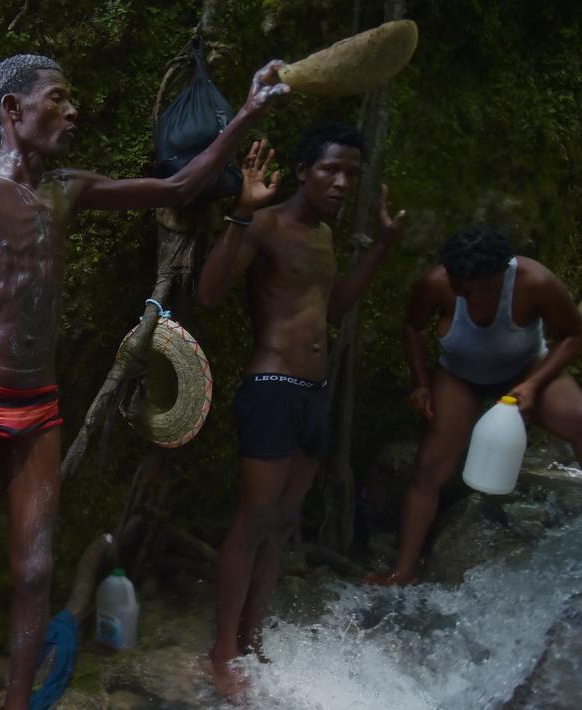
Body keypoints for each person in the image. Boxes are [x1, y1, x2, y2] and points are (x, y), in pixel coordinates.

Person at [0, 23, 288, 709]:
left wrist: (248, 111)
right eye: (57, 100)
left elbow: (184, 184)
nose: (73, 113)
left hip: (36, 404)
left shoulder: (68, 190)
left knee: (36, 570)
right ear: (11, 111)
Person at [196, 123, 405, 695]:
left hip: (314, 392)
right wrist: (241, 213)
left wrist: (382, 248)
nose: (341, 183)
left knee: (282, 525)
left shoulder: (325, 238)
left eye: (352, 175)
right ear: (303, 171)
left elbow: (332, 306)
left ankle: (252, 638)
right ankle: (220, 653)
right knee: (254, 519)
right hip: (272, 386)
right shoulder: (266, 224)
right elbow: (210, 295)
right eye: (331, 170)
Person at [370, 226, 582, 586]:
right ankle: (404, 570)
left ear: (504, 272)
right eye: (466, 290)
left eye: (487, 288)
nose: (477, 297)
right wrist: (420, 383)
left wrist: (532, 384)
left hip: (527, 368)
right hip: (461, 376)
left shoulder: (535, 281)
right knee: (427, 468)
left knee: (578, 418)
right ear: (450, 276)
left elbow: (574, 334)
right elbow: (414, 327)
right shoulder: (434, 283)